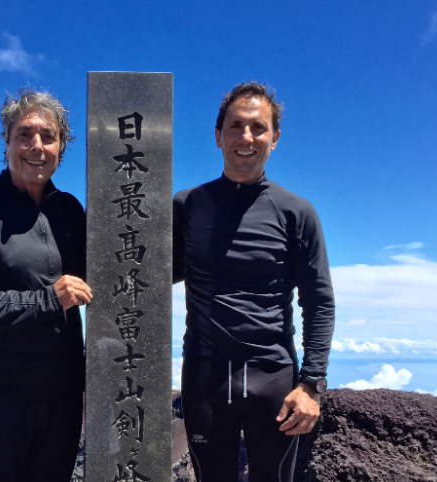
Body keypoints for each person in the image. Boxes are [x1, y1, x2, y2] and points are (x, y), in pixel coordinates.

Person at [172, 81, 335, 482]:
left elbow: (318, 300)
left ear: (274, 138)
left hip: (273, 378)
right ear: (217, 136)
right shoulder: (188, 205)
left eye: (258, 128)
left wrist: (312, 384)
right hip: (206, 374)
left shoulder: (296, 212)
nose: (247, 137)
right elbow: (152, 275)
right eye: (236, 126)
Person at [0, 88, 92, 482]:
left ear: (62, 147)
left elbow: (106, 279)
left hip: (61, 400)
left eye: (48, 136)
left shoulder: (71, 212)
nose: (36, 146)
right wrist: (48, 300)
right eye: (24, 134)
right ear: (6, 142)